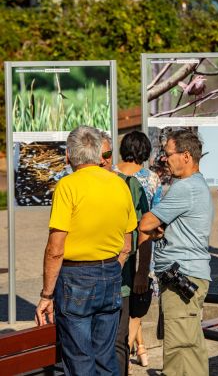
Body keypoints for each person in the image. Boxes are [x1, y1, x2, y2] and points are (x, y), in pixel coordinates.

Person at [35, 125, 137, 375]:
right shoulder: (119, 185)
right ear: (99, 155)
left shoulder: (67, 186)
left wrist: (47, 295)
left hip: (76, 278)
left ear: (68, 155)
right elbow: (127, 244)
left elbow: (55, 249)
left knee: (80, 360)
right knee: (105, 357)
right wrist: (110, 269)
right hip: (111, 272)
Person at [140, 129, 214, 376]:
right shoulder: (196, 184)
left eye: (168, 154)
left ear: (186, 156)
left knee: (180, 354)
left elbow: (146, 223)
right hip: (190, 275)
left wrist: (156, 227)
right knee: (189, 349)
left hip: (182, 276)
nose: (163, 159)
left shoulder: (185, 188)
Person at [100, 131, 151, 376]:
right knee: (123, 331)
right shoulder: (144, 181)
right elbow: (143, 231)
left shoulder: (115, 178)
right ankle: (138, 347)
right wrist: (142, 270)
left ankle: (138, 347)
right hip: (125, 269)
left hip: (105, 273)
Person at [113, 131, 162, 372]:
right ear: (145, 151)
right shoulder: (151, 178)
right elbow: (156, 214)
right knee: (136, 306)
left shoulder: (110, 172)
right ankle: (129, 349)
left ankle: (132, 349)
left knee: (122, 304)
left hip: (116, 248)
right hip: (143, 248)